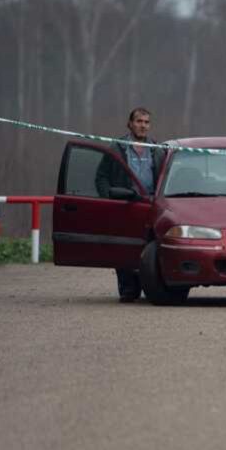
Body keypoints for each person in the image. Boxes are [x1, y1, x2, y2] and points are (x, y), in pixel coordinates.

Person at [95, 107, 167, 303]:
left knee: (150, 249)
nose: (143, 125)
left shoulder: (157, 149)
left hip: (151, 206)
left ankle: (150, 287)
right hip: (125, 204)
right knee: (125, 247)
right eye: (139, 121)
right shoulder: (117, 148)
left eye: (146, 122)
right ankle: (128, 290)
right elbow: (101, 177)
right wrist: (108, 200)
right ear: (130, 124)